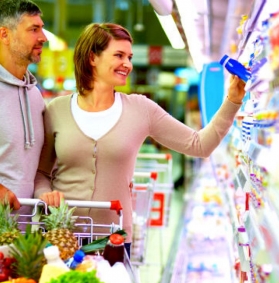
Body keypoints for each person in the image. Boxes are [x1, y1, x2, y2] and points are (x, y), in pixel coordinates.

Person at [34, 23, 246, 255]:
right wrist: (44, 193)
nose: (128, 64)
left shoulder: (140, 109)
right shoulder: (56, 110)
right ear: (92, 58)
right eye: (119, 55)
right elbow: (41, 173)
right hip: (59, 236)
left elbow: (199, 145)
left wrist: (232, 101)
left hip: (112, 239)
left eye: (130, 57)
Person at [0, 0, 47, 211]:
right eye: (33, 29)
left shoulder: (35, 95)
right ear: (4, 35)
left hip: (22, 232)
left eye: (42, 29)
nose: (43, 38)